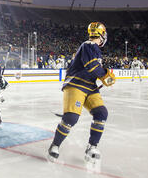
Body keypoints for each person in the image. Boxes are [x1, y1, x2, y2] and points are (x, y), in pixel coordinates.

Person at [47, 22, 116, 164]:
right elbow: (92, 66)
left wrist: (103, 75)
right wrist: (105, 75)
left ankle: (92, 146)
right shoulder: (89, 45)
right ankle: (55, 145)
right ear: (102, 35)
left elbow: (93, 68)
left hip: (89, 86)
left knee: (101, 113)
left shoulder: (93, 47)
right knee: (71, 118)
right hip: (76, 84)